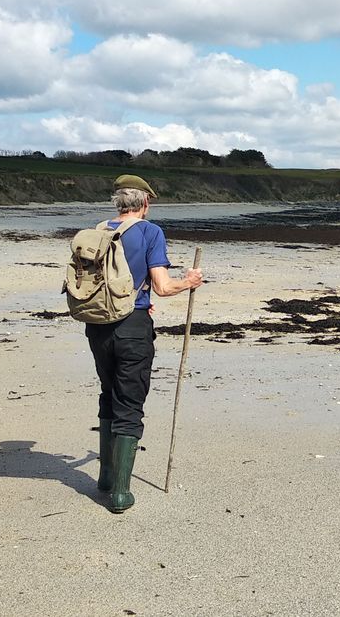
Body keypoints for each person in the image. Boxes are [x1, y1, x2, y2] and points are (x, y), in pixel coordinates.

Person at [85, 174, 203, 513]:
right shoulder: (151, 232)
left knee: (109, 392)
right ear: (145, 203)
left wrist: (139, 296)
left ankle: (105, 478)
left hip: (97, 325)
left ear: (117, 203)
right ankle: (120, 493)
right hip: (133, 328)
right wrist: (190, 280)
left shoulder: (98, 230)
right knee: (130, 402)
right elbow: (164, 287)